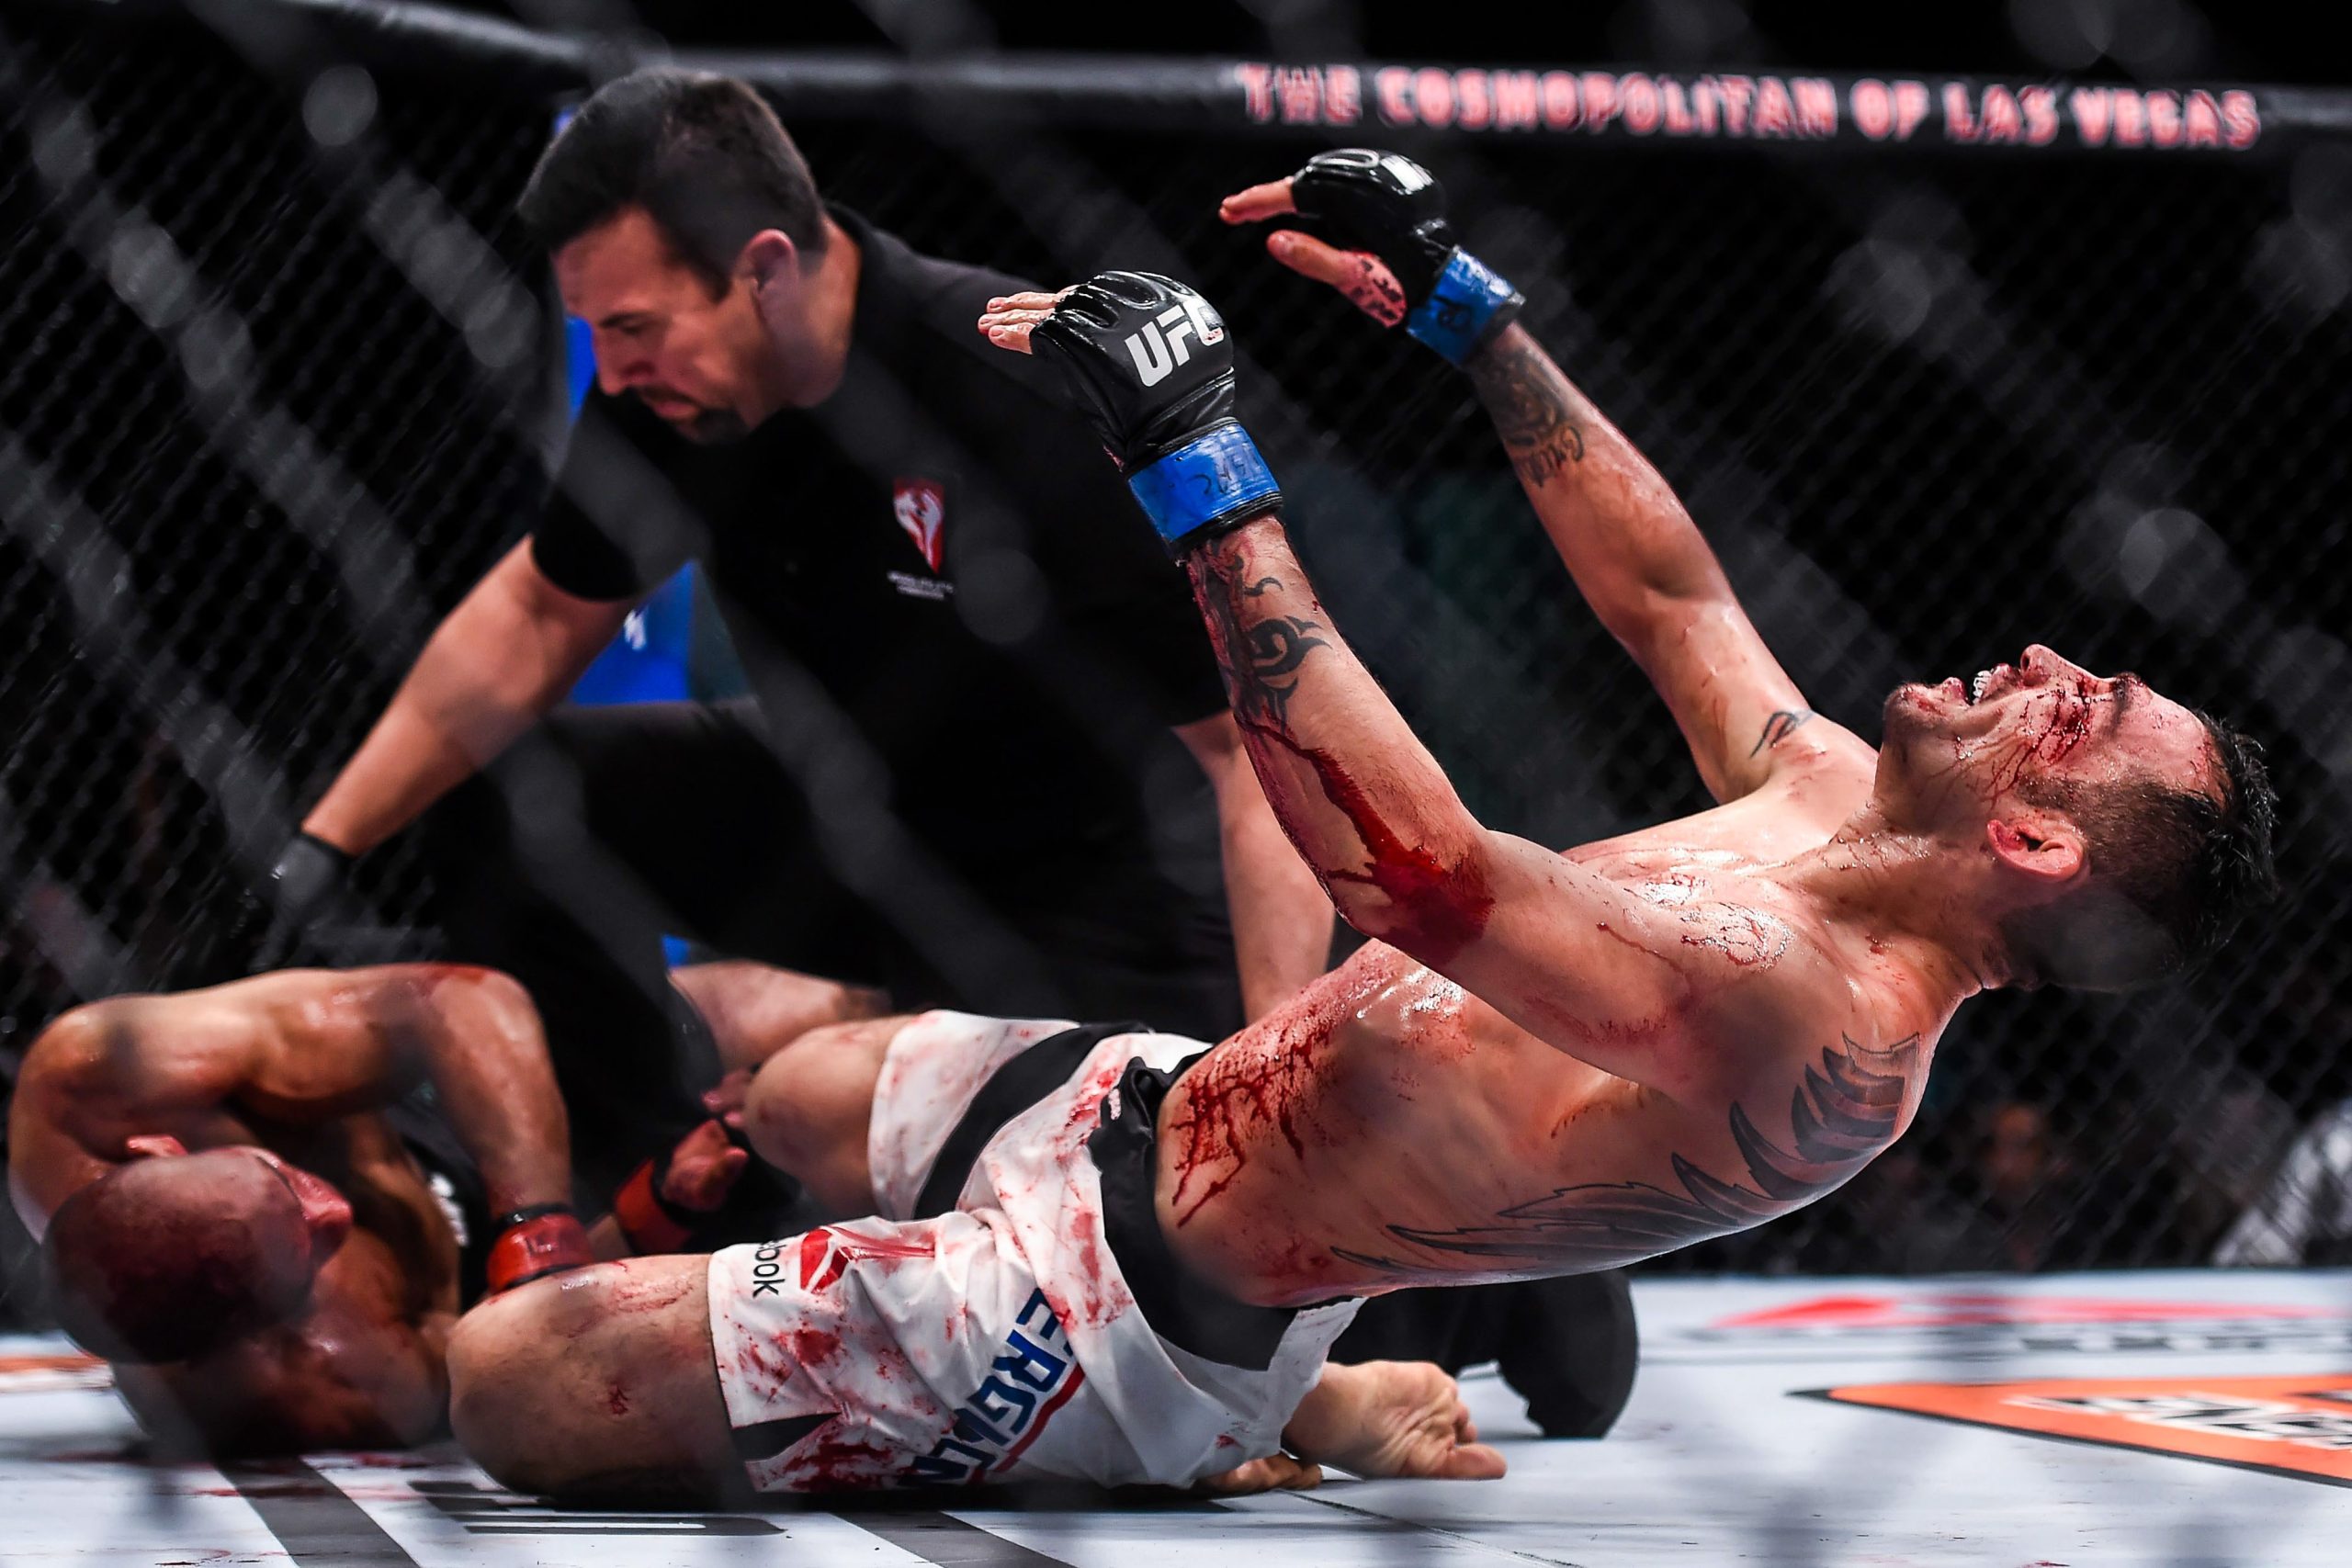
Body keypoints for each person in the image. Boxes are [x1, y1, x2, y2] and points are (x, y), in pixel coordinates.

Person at [439, 151, 2278, 1500]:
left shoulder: (1823, 1019)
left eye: (2084, 713)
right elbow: (1672, 598)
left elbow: (1418, 873)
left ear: (2037, 847)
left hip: (1134, 1300)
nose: (2048, 661)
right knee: (794, 1088)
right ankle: (1303, 1388)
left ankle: (1232, 1409)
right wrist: (1470, 314)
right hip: (1164, 1092)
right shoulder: (1825, 797)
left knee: (503, 1382)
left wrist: (1198, 466)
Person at [258, 68, 1332, 1222]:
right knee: (516, 788)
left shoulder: (1017, 390)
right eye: (597, 333)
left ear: (765, 268)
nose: (612, 371)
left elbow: (1255, 753)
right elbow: (537, 610)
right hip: (857, 818)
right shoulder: (665, 397)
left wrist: (1275, 1080)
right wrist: (315, 851)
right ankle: (632, 1202)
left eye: (634, 328)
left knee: (1118, 1215)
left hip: (1101, 875)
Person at [4, 964, 762, 1454]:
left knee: (727, 1007)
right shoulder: (322, 1380)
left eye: (281, 1180)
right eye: (303, 1250)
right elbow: (520, 1347)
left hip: (448, 1099)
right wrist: (650, 1214)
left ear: (160, 1150)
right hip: (514, 1255)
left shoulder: (98, 1079)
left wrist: (540, 1236)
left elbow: (462, 999)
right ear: (245, 1328)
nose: (331, 1212)